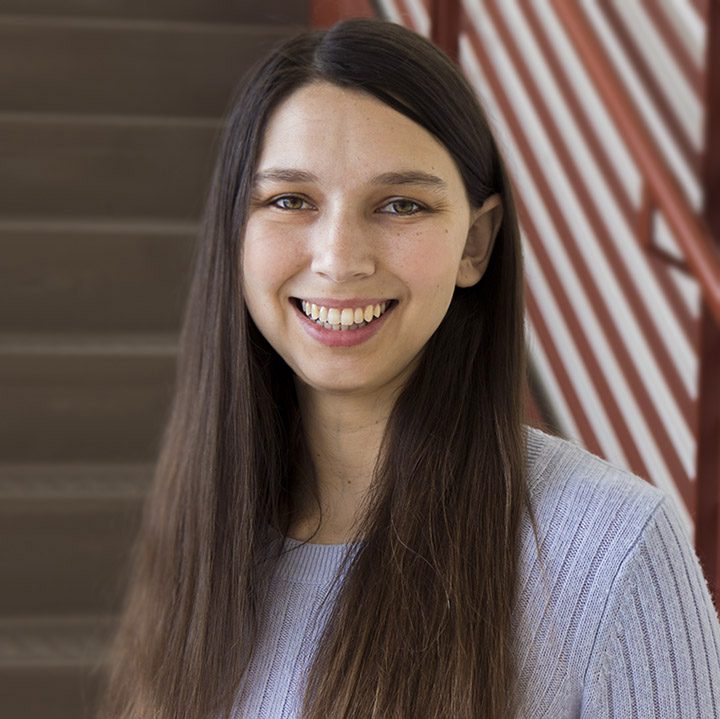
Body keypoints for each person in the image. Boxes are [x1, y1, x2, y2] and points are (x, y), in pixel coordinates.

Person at [99, 18, 720, 719]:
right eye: (289, 201)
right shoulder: (210, 534)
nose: (338, 258)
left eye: (401, 204)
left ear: (476, 244)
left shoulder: (613, 550)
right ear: (235, 232)